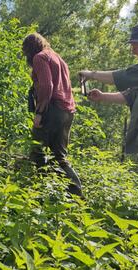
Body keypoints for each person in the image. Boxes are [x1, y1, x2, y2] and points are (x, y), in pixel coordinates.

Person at [79, 22, 138, 207]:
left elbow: (125, 76)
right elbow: (132, 94)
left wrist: (91, 74)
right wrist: (103, 96)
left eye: (134, 45)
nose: (132, 51)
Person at [22, 33, 83, 196]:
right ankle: (76, 195)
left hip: (52, 109)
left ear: (29, 49)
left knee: (37, 149)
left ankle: (41, 192)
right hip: (68, 111)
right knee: (60, 155)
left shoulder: (40, 58)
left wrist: (39, 112)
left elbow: (47, 86)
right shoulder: (59, 59)